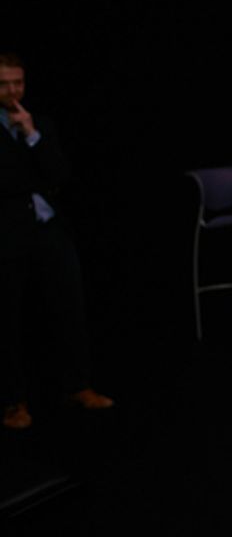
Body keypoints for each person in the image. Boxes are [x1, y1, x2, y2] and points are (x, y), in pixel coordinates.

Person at [0, 53, 113, 430]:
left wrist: (32, 136)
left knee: (70, 305)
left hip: (48, 227)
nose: (13, 90)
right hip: (10, 232)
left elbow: (59, 174)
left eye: (18, 82)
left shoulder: (39, 125)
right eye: (4, 84)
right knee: (10, 317)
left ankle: (77, 385)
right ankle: (13, 402)